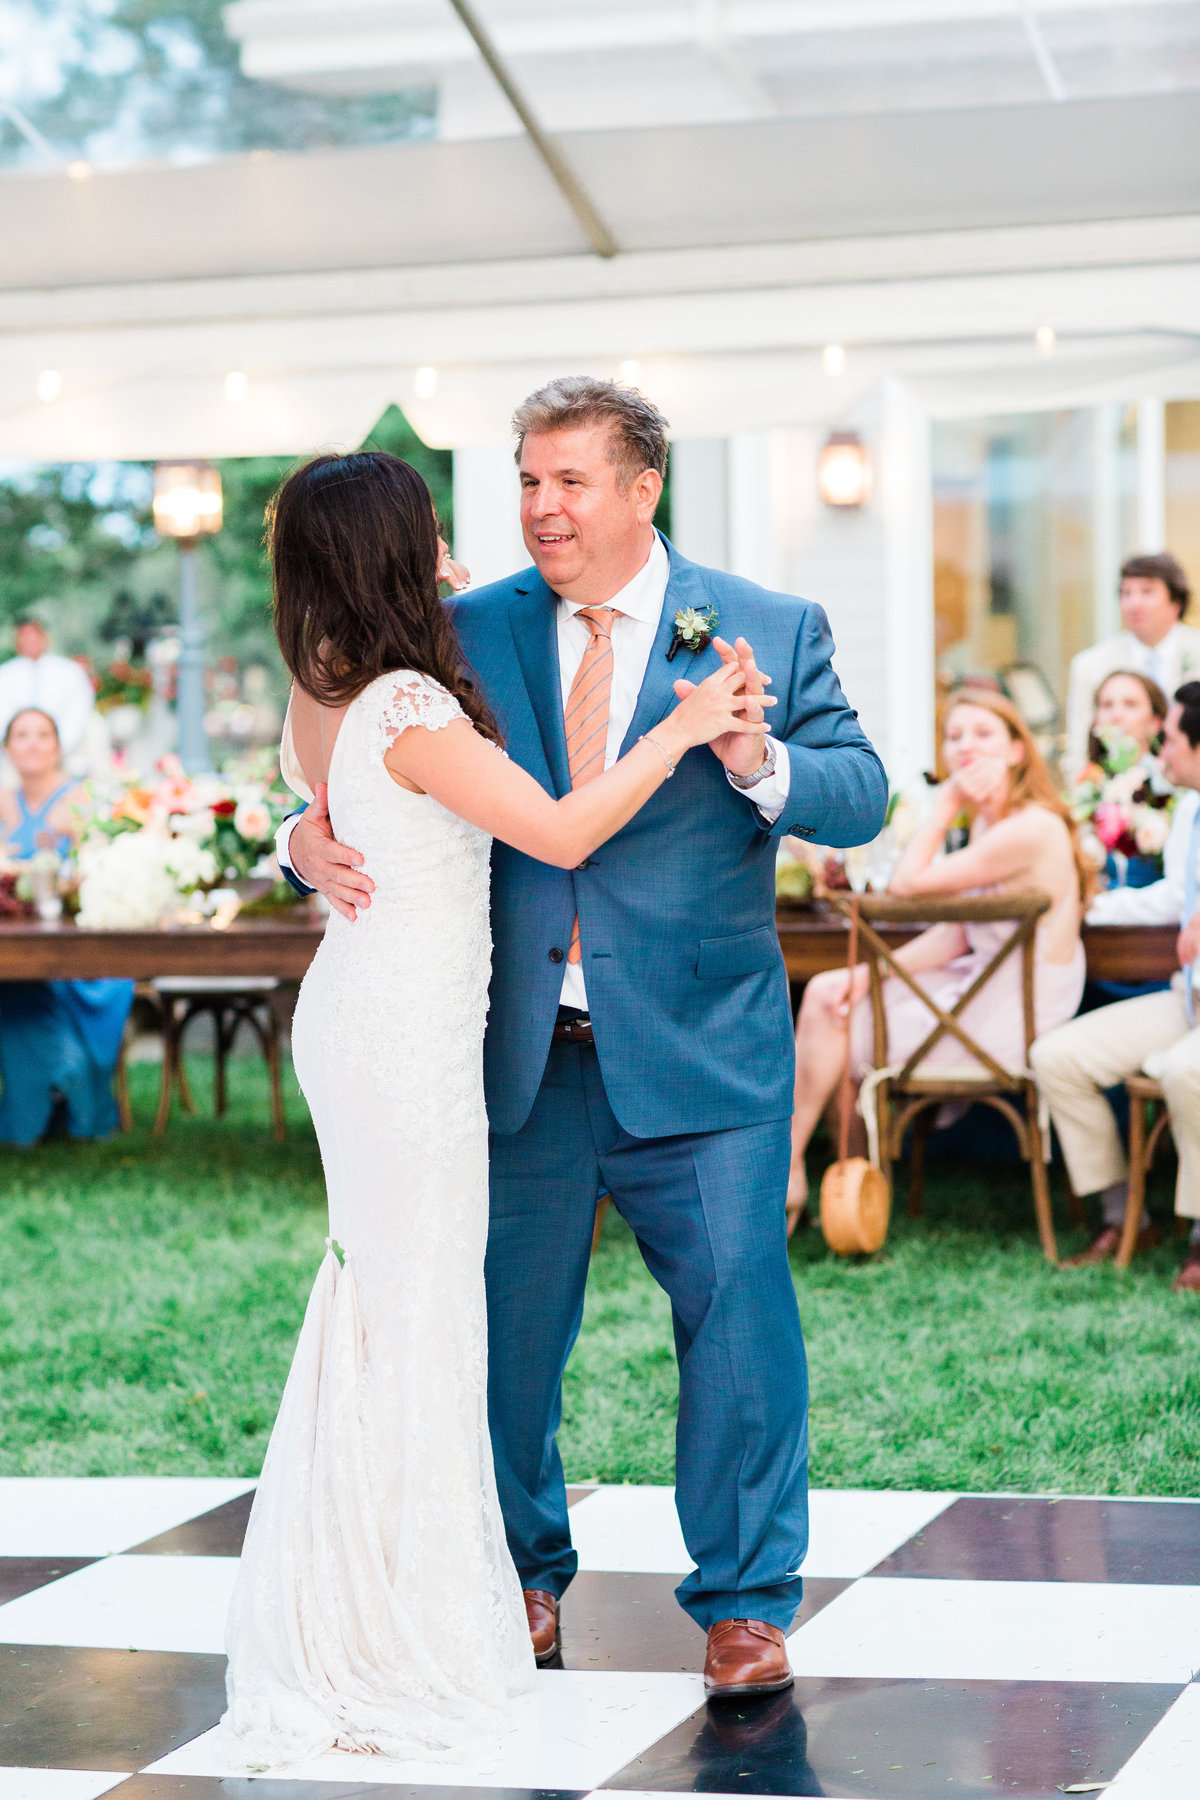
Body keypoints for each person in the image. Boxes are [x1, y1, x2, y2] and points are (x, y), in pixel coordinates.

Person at [276, 377, 887, 1707]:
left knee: (739, 1329)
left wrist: (759, 765)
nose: (541, 509)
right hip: (507, 1050)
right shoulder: (457, 630)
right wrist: (301, 835)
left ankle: (743, 1606)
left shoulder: (767, 627)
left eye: (568, 482)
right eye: (526, 482)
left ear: (641, 489)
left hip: (706, 1049)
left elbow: (861, 790)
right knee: (495, 1332)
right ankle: (514, 1580)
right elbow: (352, 747)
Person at [788, 689, 1088, 1230]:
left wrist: (945, 801)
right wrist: (867, 974)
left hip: (1017, 1009)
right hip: (980, 984)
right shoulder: (991, 824)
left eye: (983, 735)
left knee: (835, 1019)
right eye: (955, 736)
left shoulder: (1031, 827)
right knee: (832, 990)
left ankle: (813, 1182)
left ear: (1018, 751)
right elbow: (958, 936)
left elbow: (906, 885)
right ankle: (827, 1179)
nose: (965, 746)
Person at [1031, 682, 1200, 1291]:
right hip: (1189, 1000)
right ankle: (1124, 1214)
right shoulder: (1187, 810)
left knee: (1185, 1071)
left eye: (1173, 738)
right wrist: (1091, 905)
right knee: (1057, 1056)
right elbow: (1179, 895)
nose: (1163, 749)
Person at [0, 708, 132, 1145]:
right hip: (16, 942)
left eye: (43, 735)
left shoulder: (80, 799)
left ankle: (70, 1090)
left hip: (75, 945)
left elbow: (98, 868)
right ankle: (43, 1097)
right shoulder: (2, 798)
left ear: (58, 746)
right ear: (7, 748)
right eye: (22, 735)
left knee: (43, 985)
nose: (33, 743)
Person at [1063, 553, 1199, 784]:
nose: (1134, 603)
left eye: (1147, 592)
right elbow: (1077, 754)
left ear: (1176, 602)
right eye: (1126, 593)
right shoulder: (1090, 665)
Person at [0, 618, 97, 772]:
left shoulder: (71, 672)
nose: (30, 640)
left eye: (35, 634)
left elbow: (78, 713)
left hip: (64, 757)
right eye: (24, 635)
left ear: (45, 638)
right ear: (16, 641)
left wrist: (56, 750)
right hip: (12, 761)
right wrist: (17, 750)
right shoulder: (4, 674)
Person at [1086, 669, 1167, 768]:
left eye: (1130, 704)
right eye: (1107, 705)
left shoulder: (1166, 780)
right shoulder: (1089, 779)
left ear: (1155, 722)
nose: (1116, 715)